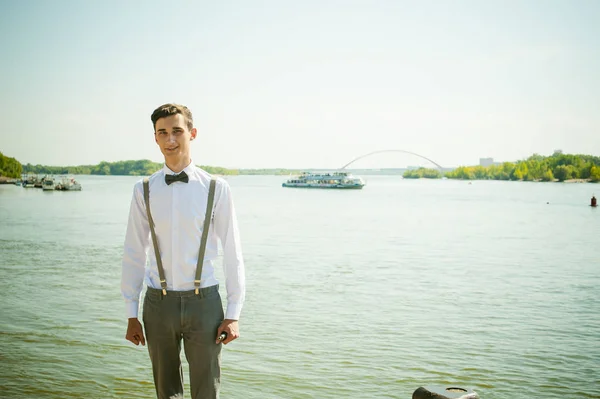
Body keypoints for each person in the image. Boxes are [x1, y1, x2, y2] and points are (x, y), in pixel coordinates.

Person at [121, 103, 246, 399]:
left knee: (207, 391)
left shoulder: (217, 188)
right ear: (155, 138)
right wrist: (130, 313)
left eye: (177, 131)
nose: (170, 139)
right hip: (157, 304)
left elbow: (232, 251)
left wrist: (234, 312)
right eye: (162, 133)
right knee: (166, 392)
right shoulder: (143, 189)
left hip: (205, 304)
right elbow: (134, 252)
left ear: (192, 133)